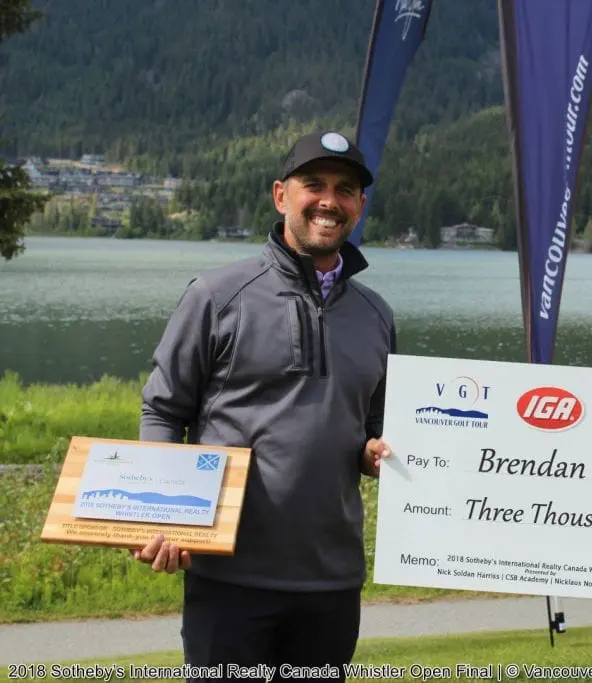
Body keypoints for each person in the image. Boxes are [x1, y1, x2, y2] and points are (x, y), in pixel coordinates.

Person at [132, 130, 396, 682]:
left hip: (331, 581)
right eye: (314, 185)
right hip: (230, 579)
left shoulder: (376, 315)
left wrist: (377, 454)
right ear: (281, 196)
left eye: (345, 189)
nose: (329, 200)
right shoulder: (216, 295)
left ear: (360, 206)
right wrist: (160, 516)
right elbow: (162, 409)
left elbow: (374, 431)